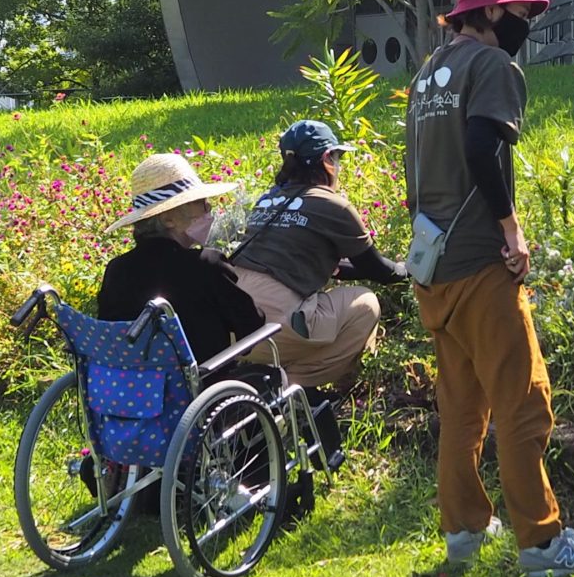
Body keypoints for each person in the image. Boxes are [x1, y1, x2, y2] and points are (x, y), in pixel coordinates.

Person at [405, 0, 574, 577]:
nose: (529, 21)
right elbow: (480, 148)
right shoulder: (493, 65)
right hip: (478, 262)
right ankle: (543, 545)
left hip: (432, 263)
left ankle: (465, 530)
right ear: (493, 12)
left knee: (463, 407)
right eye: (523, 11)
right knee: (524, 403)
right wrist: (511, 229)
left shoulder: (428, 73)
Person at [228, 120, 406, 397]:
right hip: (276, 323)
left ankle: (261, 373)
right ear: (326, 159)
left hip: (233, 321)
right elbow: (377, 270)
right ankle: (288, 387)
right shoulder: (331, 204)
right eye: (337, 157)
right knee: (365, 304)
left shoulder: (267, 199)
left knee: (312, 310)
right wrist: (408, 270)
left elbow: (325, 267)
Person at [96, 152, 263, 361]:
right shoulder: (206, 264)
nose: (209, 208)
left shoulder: (117, 269)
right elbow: (251, 325)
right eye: (200, 202)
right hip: (201, 384)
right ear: (168, 220)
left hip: (135, 386)